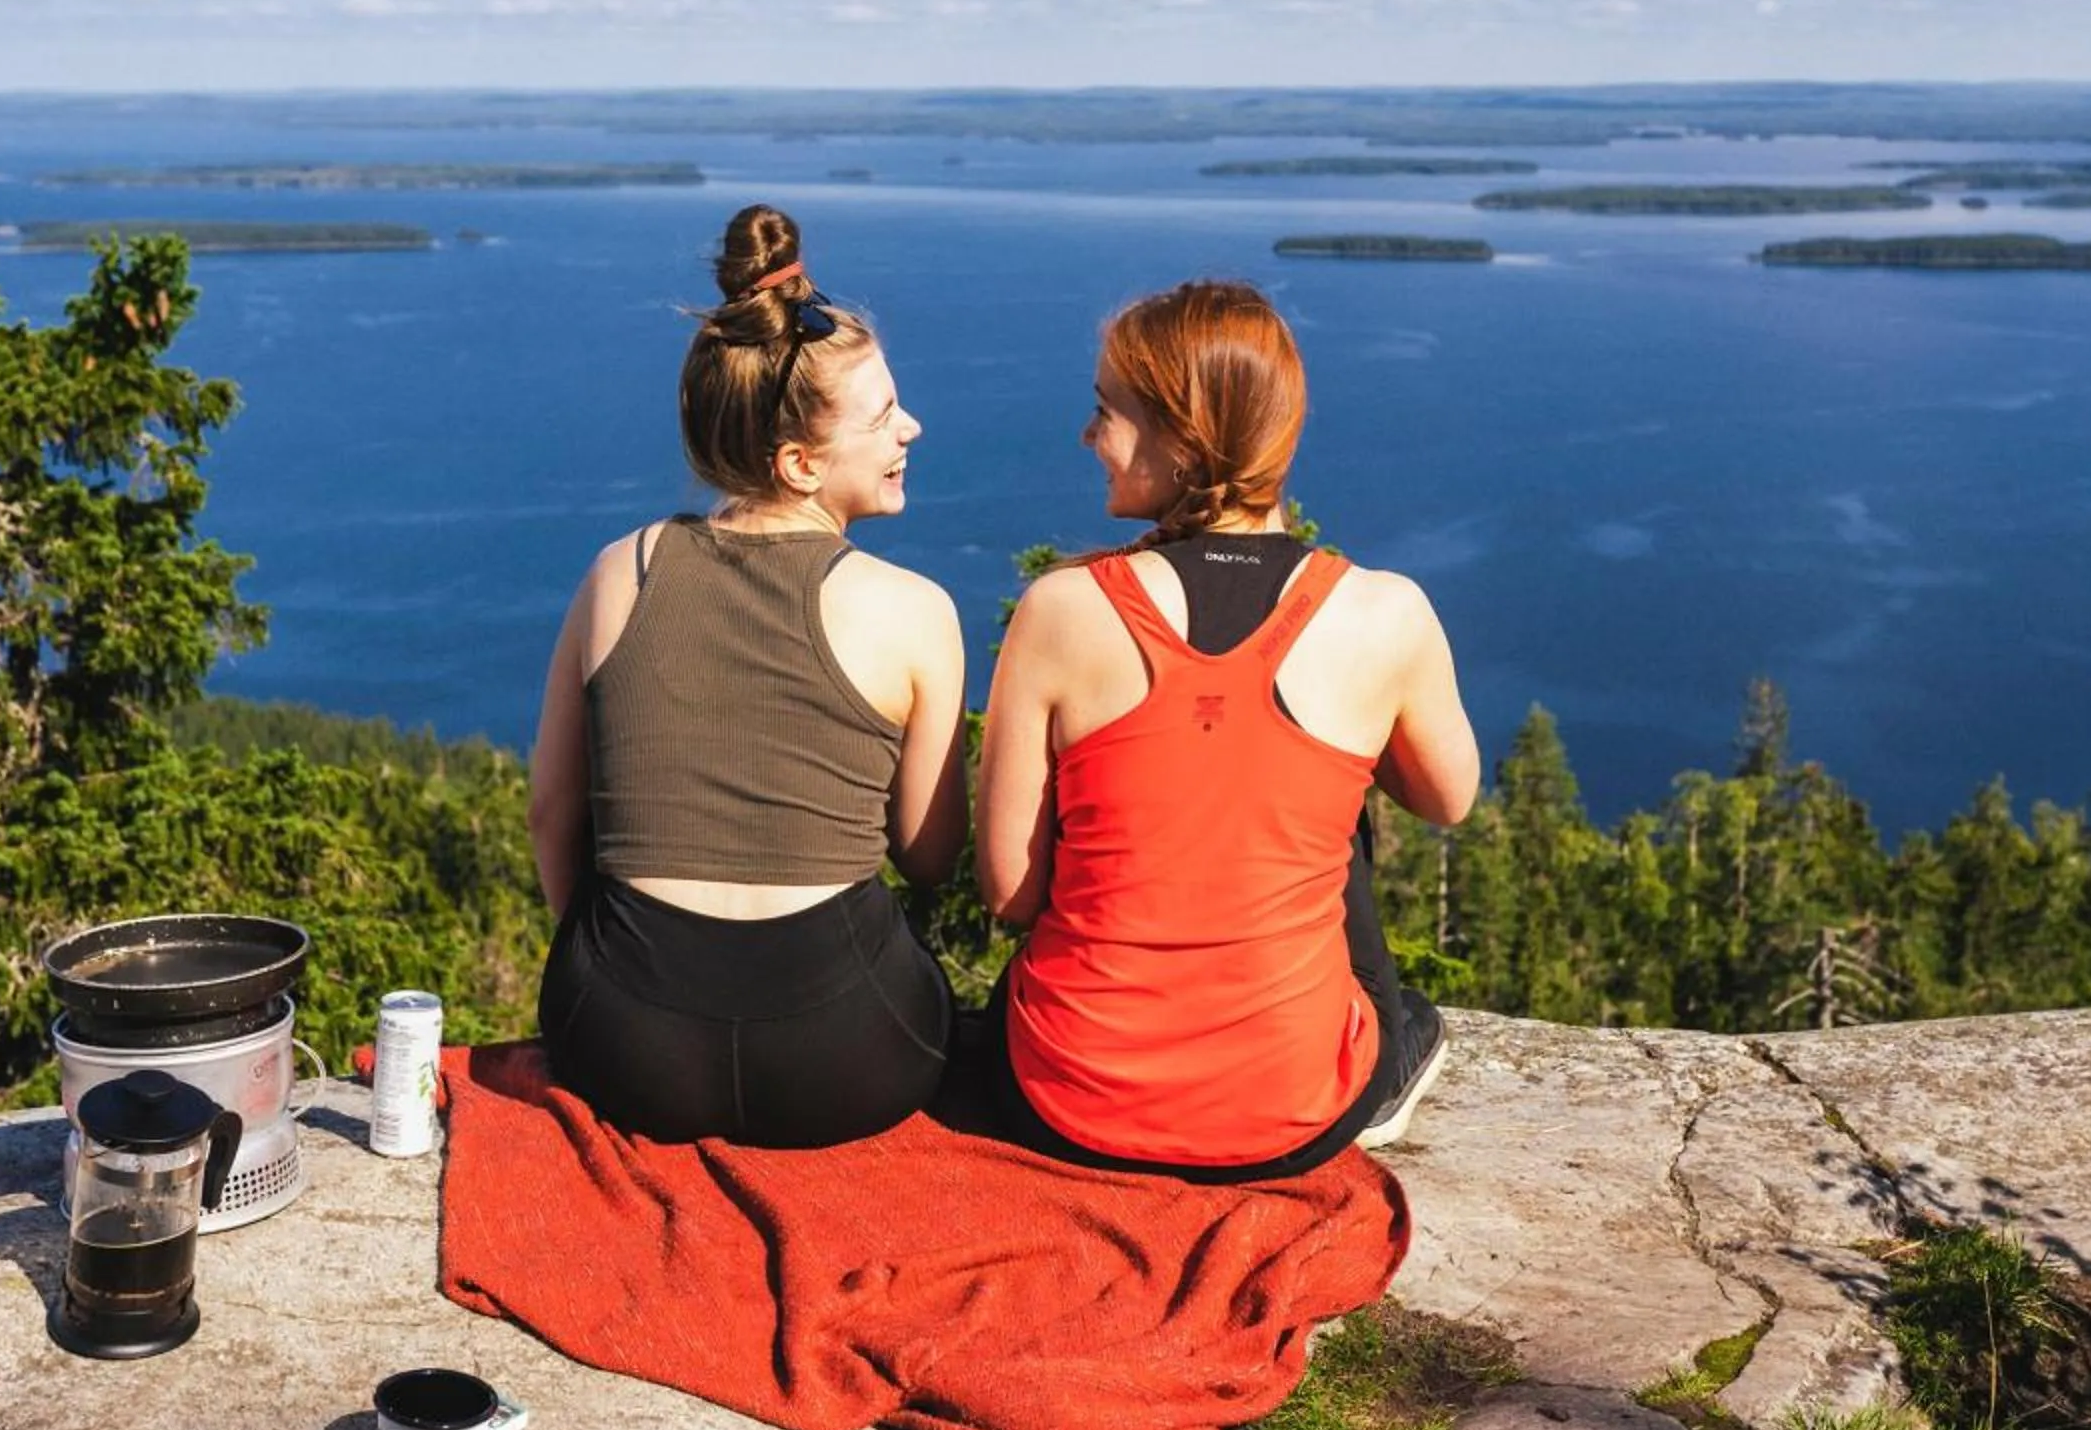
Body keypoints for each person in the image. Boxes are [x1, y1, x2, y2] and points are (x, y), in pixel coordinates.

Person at [973, 279, 1480, 1180]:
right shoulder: (1384, 613)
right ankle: (1377, 1063)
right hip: (1294, 1112)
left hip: (1068, 1099)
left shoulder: (1061, 610)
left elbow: (1013, 893)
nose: (1089, 437)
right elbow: (1448, 798)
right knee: (1327, 794)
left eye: (1107, 414)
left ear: (1182, 437)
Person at [525, 204, 966, 1145]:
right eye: (885, 415)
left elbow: (551, 813)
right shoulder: (916, 610)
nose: (912, 428)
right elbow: (930, 859)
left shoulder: (621, 571)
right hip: (851, 1055)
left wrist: (608, 963)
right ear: (801, 463)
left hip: (619, 1046)